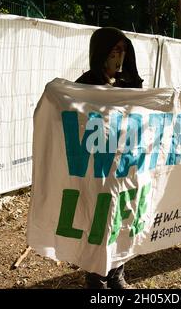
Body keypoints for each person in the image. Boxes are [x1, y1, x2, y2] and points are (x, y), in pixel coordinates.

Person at [75, 27, 143, 289]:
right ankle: (95, 276)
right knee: (98, 220)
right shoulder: (84, 85)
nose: (120, 55)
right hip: (97, 167)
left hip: (124, 166)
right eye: (115, 50)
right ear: (101, 51)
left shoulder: (129, 84)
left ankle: (116, 273)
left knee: (121, 219)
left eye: (123, 50)